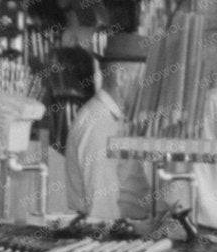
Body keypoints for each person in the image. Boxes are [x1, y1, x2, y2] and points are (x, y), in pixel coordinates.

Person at [63, 33, 152, 223]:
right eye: (145, 81)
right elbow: (102, 210)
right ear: (121, 77)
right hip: (115, 237)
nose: (148, 91)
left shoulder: (113, 119)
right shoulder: (100, 124)